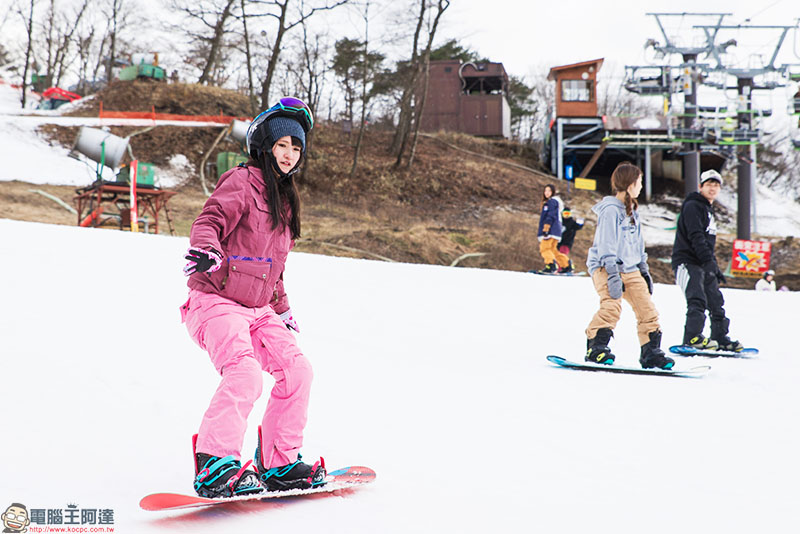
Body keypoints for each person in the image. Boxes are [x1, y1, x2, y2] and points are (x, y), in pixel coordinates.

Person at [179, 97, 325, 498]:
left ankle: (279, 462)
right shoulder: (242, 182)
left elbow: (272, 267)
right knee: (243, 371)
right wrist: (207, 249)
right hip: (215, 300)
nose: (289, 154)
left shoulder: (286, 200)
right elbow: (208, 220)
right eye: (282, 145)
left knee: (297, 372)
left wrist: (283, 308)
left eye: (296, 148)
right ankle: (215, 463)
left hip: (259, 310)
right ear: (265, 145)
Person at [584, 162, 674, 369]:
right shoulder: (610, 211)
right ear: (630, 183)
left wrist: (644, 270)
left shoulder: (633, 211)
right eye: (640, 181)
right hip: (607, 268)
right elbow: (607, 243)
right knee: (611, 306)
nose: (641, 186)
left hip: (632, 269)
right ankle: (595, 348)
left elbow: (638, 243)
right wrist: (613, 274)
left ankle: (651, 353)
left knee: (647, 310)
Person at [672, 169, 743, 352]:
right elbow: (696, 236)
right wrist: (707, 261)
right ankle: (692, 338)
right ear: (700, 187)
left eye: (716, 185)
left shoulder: (707, 209)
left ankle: (719, 336)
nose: (712, 188)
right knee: (697, 299)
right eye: (709, 184)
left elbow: (707, 242)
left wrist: (713, 266)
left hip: (703, 262)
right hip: (687, 262)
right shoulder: (693, 206)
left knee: (715, 300)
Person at [537, 184, 572, 273]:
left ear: (553, 192)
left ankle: (550, 265)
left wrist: (546, 227)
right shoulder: (554, 202)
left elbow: (550, 215)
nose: (546, 193)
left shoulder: (552, 202)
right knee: (553, 250)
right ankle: (566, 265)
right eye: (545, 191)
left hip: (551, 229)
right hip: (556, 230)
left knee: (544, 248)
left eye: (549, 191)